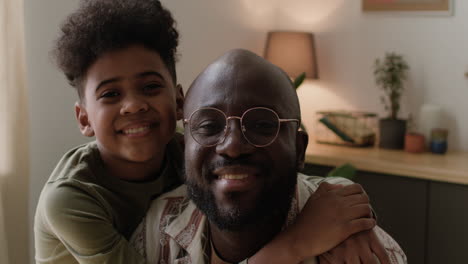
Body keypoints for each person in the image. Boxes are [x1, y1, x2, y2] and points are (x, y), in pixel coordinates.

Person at [34, 1, 383, 263]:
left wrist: (342, 199)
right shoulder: (70, 201)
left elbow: (281, 172)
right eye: (111, 94)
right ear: (84, 120)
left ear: (180, 101)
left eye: (150, 87)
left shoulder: (186, 150)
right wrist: (299, 242)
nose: (133, 105)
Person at [130, 49, 407, 264]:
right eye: (209, 126)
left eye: (263, 125)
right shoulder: (161, 225)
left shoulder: (361, 252)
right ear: (185, 143)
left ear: (299, 149)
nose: (233, 146)